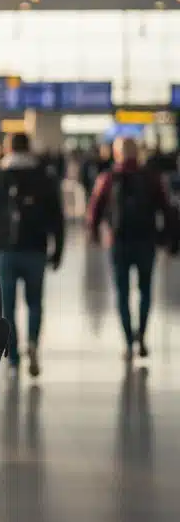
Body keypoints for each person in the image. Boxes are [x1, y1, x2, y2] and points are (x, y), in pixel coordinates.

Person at [88, 137, 179, 361]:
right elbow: (167, 210)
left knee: (122, 292)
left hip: (118, 242)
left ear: (117, 154)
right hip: (146, 241)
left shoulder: (108, 178)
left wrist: (95, 235)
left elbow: (94, 211)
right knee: (145, 290)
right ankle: (142, 337)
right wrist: (169, 239)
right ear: (137, 153)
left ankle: (128, 342)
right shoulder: (151, 178)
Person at [0, 133, 64, 377]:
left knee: (7, 305)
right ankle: (33, 345)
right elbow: (56, 218)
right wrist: (57, 249)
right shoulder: (45, 177)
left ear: (8, 148)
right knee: (35, 302)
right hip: (36, 248)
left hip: (5, 250)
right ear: (29, 148)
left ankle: (14, 358)